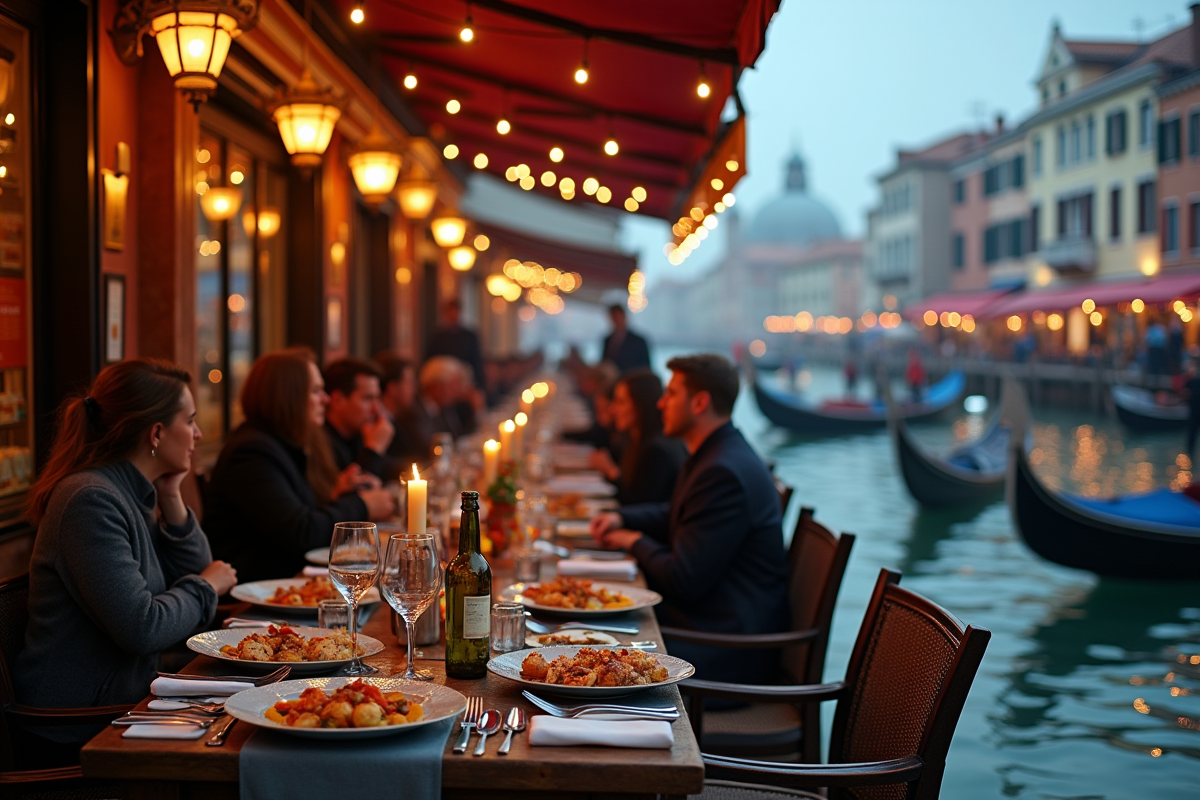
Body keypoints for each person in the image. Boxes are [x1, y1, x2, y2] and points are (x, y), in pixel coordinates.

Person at [15, 359, 238, 746]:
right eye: (189, 421)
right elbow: (143, 627)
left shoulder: (128, 492)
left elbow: (198, 570)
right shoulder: (90, 501)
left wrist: (171, 496)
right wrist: (205, 587)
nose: (199, 433)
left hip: (126, 703)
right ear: (156, 434)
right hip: (79, 725)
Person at [589, 354, 789, 686]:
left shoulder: (722, 471)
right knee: (593, 632)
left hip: (727, 650)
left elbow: (684, 579)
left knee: (599, 652)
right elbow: (678, 513)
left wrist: (633, 540)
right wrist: (621, 516)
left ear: (699, 402)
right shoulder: (716, 454)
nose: (660, 403)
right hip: (708, 623)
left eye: (671, 394)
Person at [204, 349, 395, 581]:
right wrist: (361, 505)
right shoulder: (252, 452)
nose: (325, 399)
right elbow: (301, 533)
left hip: (287, 582)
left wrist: (337, 495)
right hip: (254, 598)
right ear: (288, 396)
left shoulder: (282, 443)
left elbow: (295, 517)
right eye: (316, 391)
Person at [588, 369, 686, 506]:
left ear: (641, 405)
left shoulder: (657, 450)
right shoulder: (634, 438)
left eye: (621, 402)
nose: (613, 409)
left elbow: (638, 504)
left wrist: (610, 471)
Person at [323, 358, 394, 480]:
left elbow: (388, 468)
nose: (376, 409)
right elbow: (358, 493)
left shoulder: (358, 434)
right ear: (337, 400)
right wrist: (374, 450)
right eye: (367, 399)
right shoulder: (321, 445)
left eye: (377, 398)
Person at [374, 352, 425, 471]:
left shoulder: (400, 417)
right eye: (409, 382)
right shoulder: (374, 423)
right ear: (392, 388)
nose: (415, 388)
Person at [425, 298, 486, 393]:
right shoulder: (438, 337)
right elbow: (431, 360)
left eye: (455, 311)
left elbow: (476, 361)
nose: (453, 315)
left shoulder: (469, 336)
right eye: (450, 312)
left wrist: (477, 386)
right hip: (444, 386)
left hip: (465, 383)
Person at [601, 304, 651, 374]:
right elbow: (604, 363)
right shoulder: (607, 340)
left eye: (618, 317)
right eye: (614, 317)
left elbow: (645, 367)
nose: (616, 320)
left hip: (632, 380)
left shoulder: (638, 341)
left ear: (624, 317)